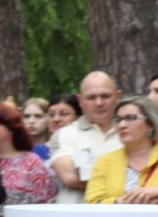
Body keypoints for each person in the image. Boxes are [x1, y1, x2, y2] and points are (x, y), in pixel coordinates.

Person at [50, 72, 123, 204]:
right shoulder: (65, 134)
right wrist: (127, 181)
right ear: (80, 100)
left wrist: (88, 170)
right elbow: (70, 178)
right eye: (91, 98)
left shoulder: (132, 131)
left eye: (105, 96)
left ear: (118, 96)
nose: (99, 103)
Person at [87, 97, 158, 204]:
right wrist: (122, 202)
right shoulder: (105, 161)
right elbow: (92, 203)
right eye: (118, 120)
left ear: (150, 124)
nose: (122, 125)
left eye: (131, 118)